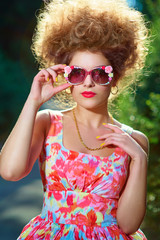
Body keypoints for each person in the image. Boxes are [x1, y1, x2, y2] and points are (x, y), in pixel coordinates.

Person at [0, 0, 149, 239]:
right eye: (77, 73)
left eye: (100, 74)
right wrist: (33, 101)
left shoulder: (134, 142)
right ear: (64, 75)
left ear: (116, 76)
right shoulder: (46, 122)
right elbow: (10, 172)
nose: (88, 82)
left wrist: (140, 159)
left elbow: (129, 225)